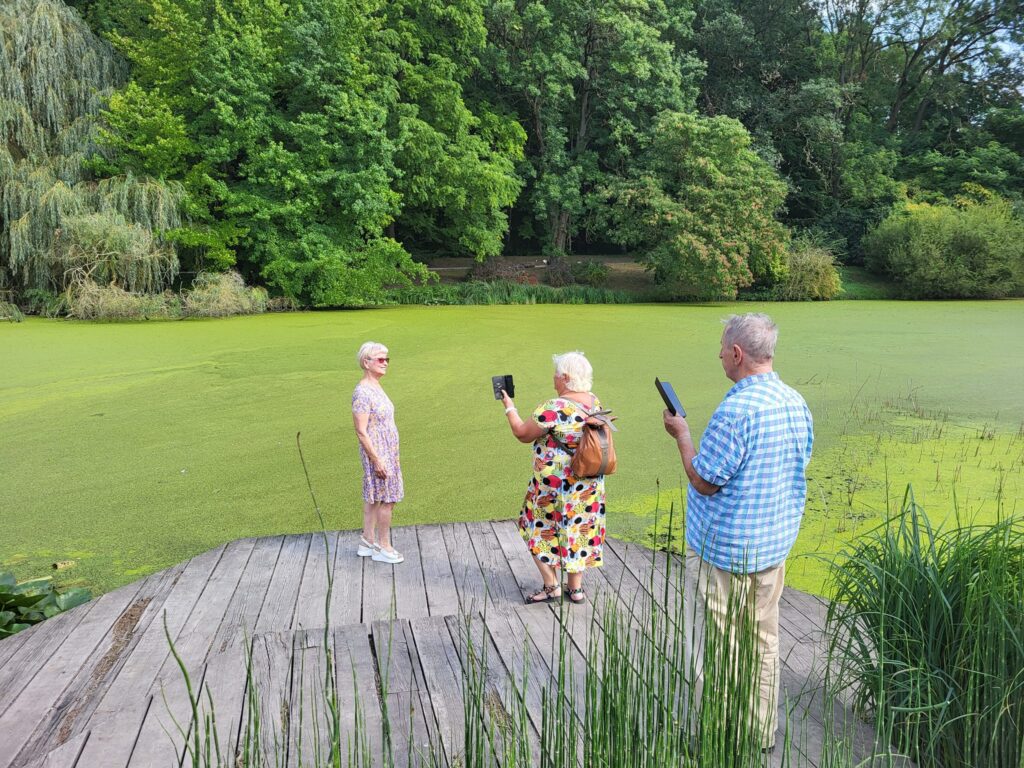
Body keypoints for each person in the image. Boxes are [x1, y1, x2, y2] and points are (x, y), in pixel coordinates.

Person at [662, 313, 813, 751]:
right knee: (764, 642)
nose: (719, 354)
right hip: (772, 549)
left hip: (725, 554)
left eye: (722, 348)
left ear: (738, 354)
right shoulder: (794, 401)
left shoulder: (736, 410)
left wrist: (682, 434)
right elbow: (797, 467)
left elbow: (705, 479)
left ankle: (716, 734)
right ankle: (761, 731)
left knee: (716, 648)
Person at [500, 351, 607, 604]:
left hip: (554, 485)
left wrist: (509, 407)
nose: (553, 379)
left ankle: (551, 586)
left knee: (533, 526)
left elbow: (522, 433)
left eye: (556, 375)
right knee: (578, 529)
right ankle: (576, 589)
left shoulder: (553, 407)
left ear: (566, 378)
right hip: (586, 484)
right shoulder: (594, 403)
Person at [352, 341, 405, 564]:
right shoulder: (362, 392)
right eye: (380, 359)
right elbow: (361, 431)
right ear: (366, 362)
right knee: (388, 499)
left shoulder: (376, 386)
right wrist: (377, 461)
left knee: (374, 497)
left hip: (387, 452)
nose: (385, 363)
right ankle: (383, 546)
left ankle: (367, 540)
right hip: (378, 454)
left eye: (387, 359)